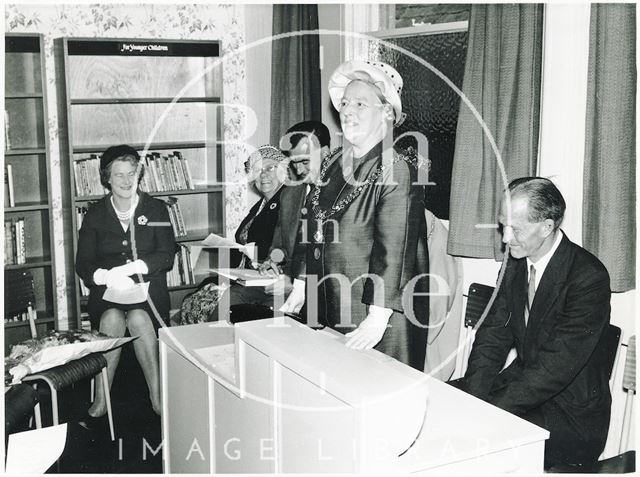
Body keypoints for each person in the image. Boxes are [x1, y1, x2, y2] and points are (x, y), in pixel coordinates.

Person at [281, 60, 430, 371]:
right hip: (329, 301)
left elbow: (395, 250)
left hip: (378, 315)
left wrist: (377, 317)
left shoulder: (397, 167)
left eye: (361, 103)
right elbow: (312, 222)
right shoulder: (333, 161)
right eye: (345, 103)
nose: (348, 111)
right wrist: (299, 283)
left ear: (387, 112)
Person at [457, 177, 611, 469]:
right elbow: (493, 336)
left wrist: (489, 412)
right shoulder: (516, 261)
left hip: (570, 415)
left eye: (516, 229)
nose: (505, 238)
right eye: (503, 226)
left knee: (479, 444)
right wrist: (474, 398)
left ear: (547, 226)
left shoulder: (588, 277)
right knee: (443, 403)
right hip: (524, 390)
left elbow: (556, 367)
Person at [76, 144, 176, 418]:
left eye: (131, 173)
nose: (126, 181)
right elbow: (83, 263)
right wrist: (106, 276)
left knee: (140, 319)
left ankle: (157, 396)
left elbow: (167, 255)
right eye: (118, 175)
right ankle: (101, 399)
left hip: (148, 289)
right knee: (110, 319)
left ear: (138, 175)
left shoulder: (155, 210)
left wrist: (134, 267)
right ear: (106, 178)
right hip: (107, 292)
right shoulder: (95, 214)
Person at [178, 145, 289, 324]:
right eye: (257, 170)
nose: (263, 175)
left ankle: (215, 347)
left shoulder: (286, 203)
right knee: (200, 294)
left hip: (265, 279)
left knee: (220, 303)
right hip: (246, 275)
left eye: (270, 168)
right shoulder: (260, 205)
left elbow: (284, 247)